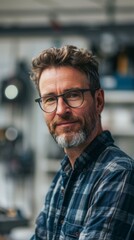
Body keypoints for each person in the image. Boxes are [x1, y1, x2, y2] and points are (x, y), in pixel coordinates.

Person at [30, 45, 134, 240]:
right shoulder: (63, 176)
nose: (61, 110)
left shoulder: (118, 174)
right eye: (50, 99)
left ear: (99, 101)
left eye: (73, 95)